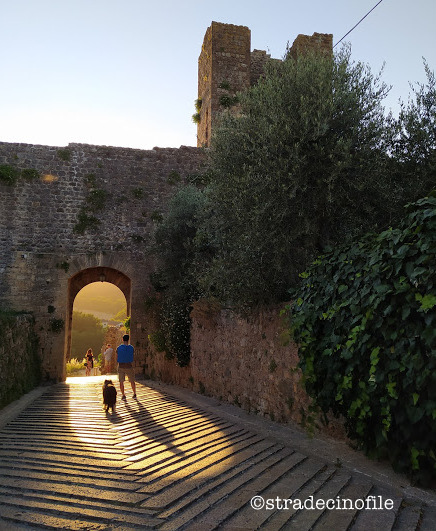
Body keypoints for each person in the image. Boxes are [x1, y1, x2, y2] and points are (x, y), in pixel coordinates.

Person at [116, 334, 136, 400]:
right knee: (132, 380)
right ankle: (134, 393)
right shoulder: (131, 348)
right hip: (129, 365)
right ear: (128, 339)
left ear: (122, 339)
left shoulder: (119, 348)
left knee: (121, 381)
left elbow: (117, 356)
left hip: (121, 366)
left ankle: (123, 395)